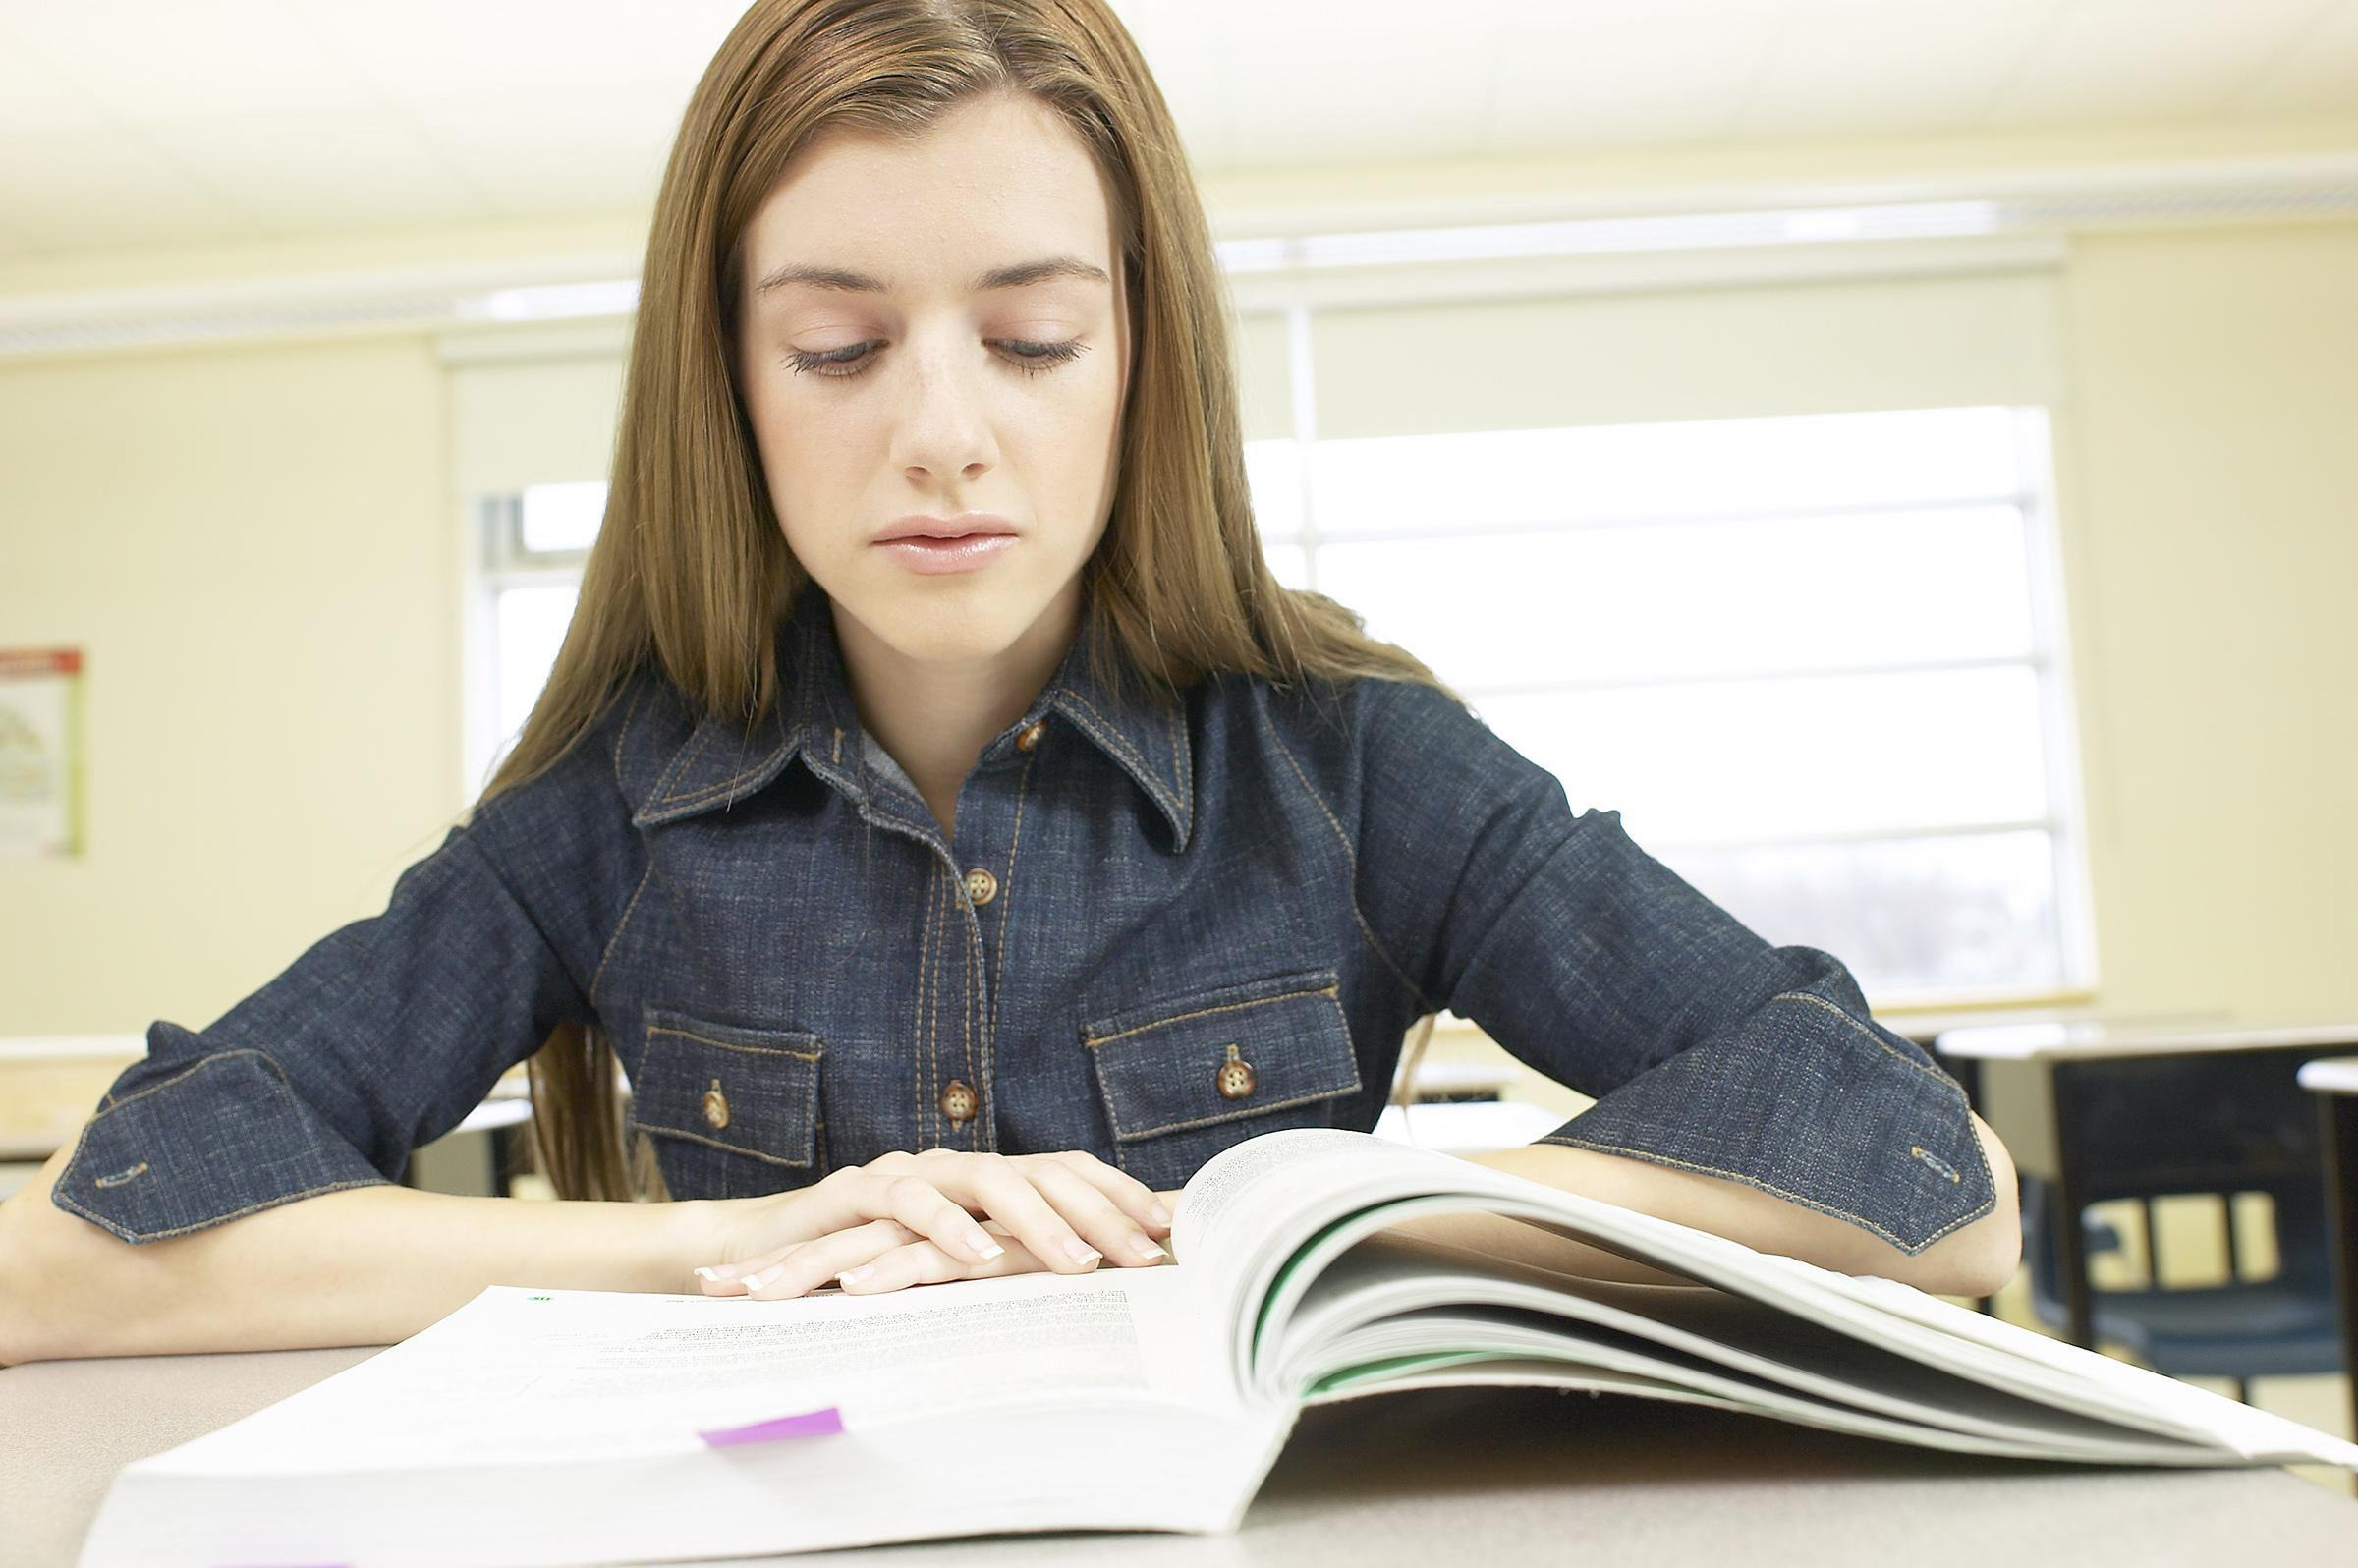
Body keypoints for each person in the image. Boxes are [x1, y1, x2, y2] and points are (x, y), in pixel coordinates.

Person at [0, 0, 2018, 1366]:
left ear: (1143, 359)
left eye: (1033, 340)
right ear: (729, 386)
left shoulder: (1353, 766)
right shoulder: (615, 814)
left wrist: (1296, 1239)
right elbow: (79, 1248)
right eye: (840, 348)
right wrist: (724, 1250)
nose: (944, 437)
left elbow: (1929, 1184)